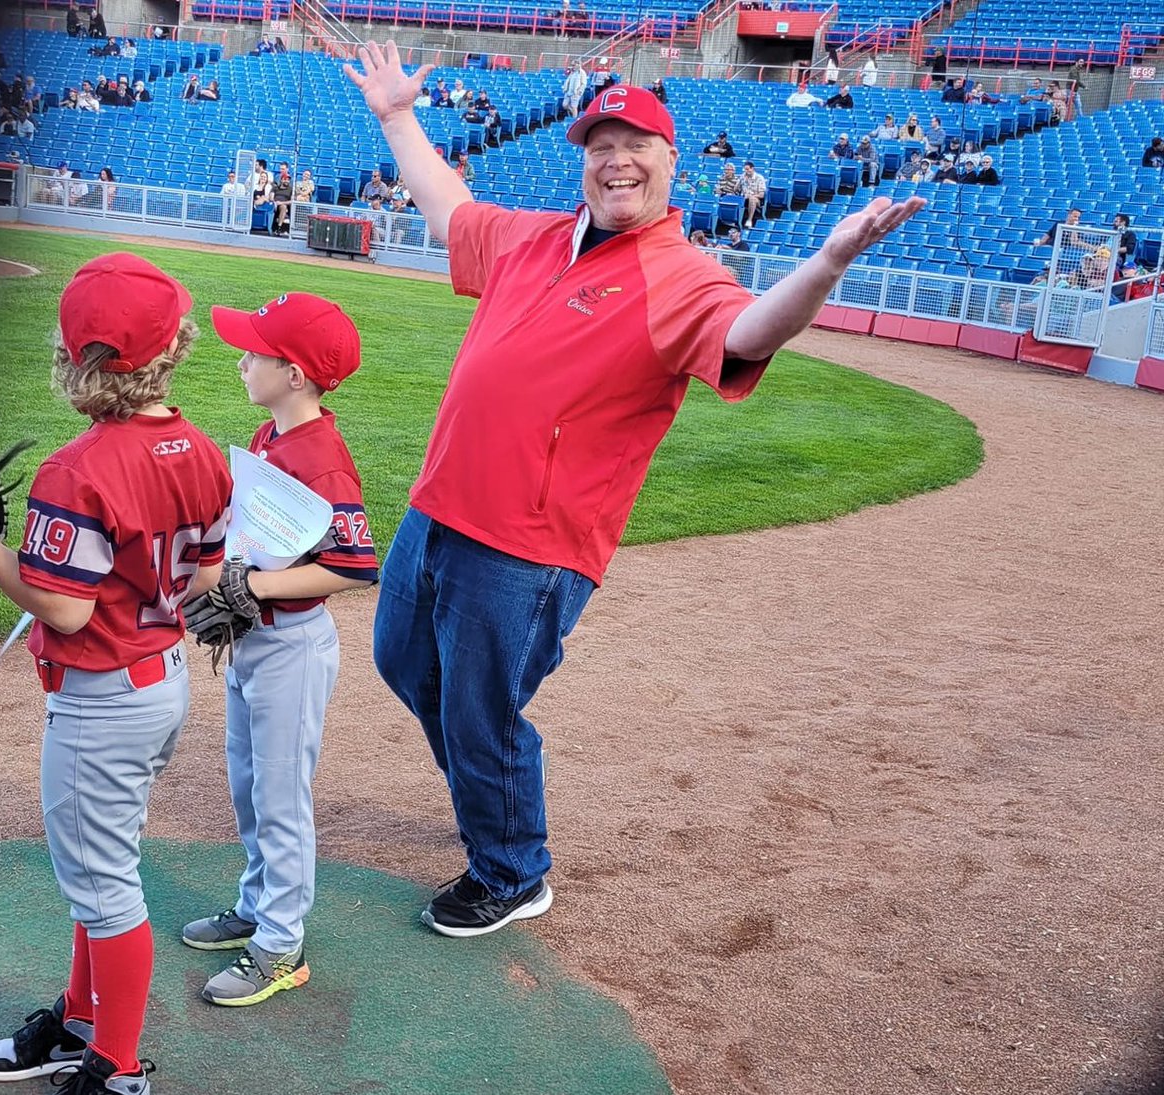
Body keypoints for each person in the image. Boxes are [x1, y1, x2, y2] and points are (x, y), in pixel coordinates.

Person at [344, 43, 922, 938]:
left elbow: (749, 329)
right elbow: (451, 208)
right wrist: (396, 117)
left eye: (636, 145)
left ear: (669, 160)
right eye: (600, 145)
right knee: (403, 661)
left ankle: (512, 869)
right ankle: (486, 789)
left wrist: (825, 266)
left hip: (530, 540)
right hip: (440, 504)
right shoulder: (538, 238)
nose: (617, 160)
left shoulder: (678, 272)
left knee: (480, 706)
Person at [0, 253, 232, 1093]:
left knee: (105, 885)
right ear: (174, 347)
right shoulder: (203, 449)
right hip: (159, 680)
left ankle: (115, 1066)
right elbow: (204, 577)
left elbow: (64, 608)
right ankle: (81, 1018)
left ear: (75, 357)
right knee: (100, 868)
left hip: (102, 699)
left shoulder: (78, 467)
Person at [181, 293, 378, 1005]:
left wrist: (254, 585)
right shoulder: (272, 435)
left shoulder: (322, 460)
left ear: (294, 375)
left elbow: (354, 566)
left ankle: (280, 945)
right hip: (255, 642)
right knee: (247, 785)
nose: (241, 361)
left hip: (292, 647)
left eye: (255, 352)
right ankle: (257, 905)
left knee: (280, 797)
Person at [739, 160, 766, 227]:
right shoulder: (743, 177)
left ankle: (749, 220)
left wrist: (750, 196)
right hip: (743, 198)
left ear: (752, 168)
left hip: (756, 199)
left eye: (747, 169)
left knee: (752, 199)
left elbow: (761, 195)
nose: (746, 171)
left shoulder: (759, 178)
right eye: (745, 169)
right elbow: (736, 189)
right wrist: (740, 180)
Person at [271, 161, 293, 233]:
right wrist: (274, 202)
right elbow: (271, 195)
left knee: (284, 207)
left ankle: (279, 228)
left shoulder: (291, 187)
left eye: (283, 169)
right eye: (280, 169)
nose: (281, 170)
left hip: (284, 204)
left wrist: (281, 203)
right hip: (274, 203)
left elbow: (292, 200)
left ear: (287, 169)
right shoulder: (276, 181)